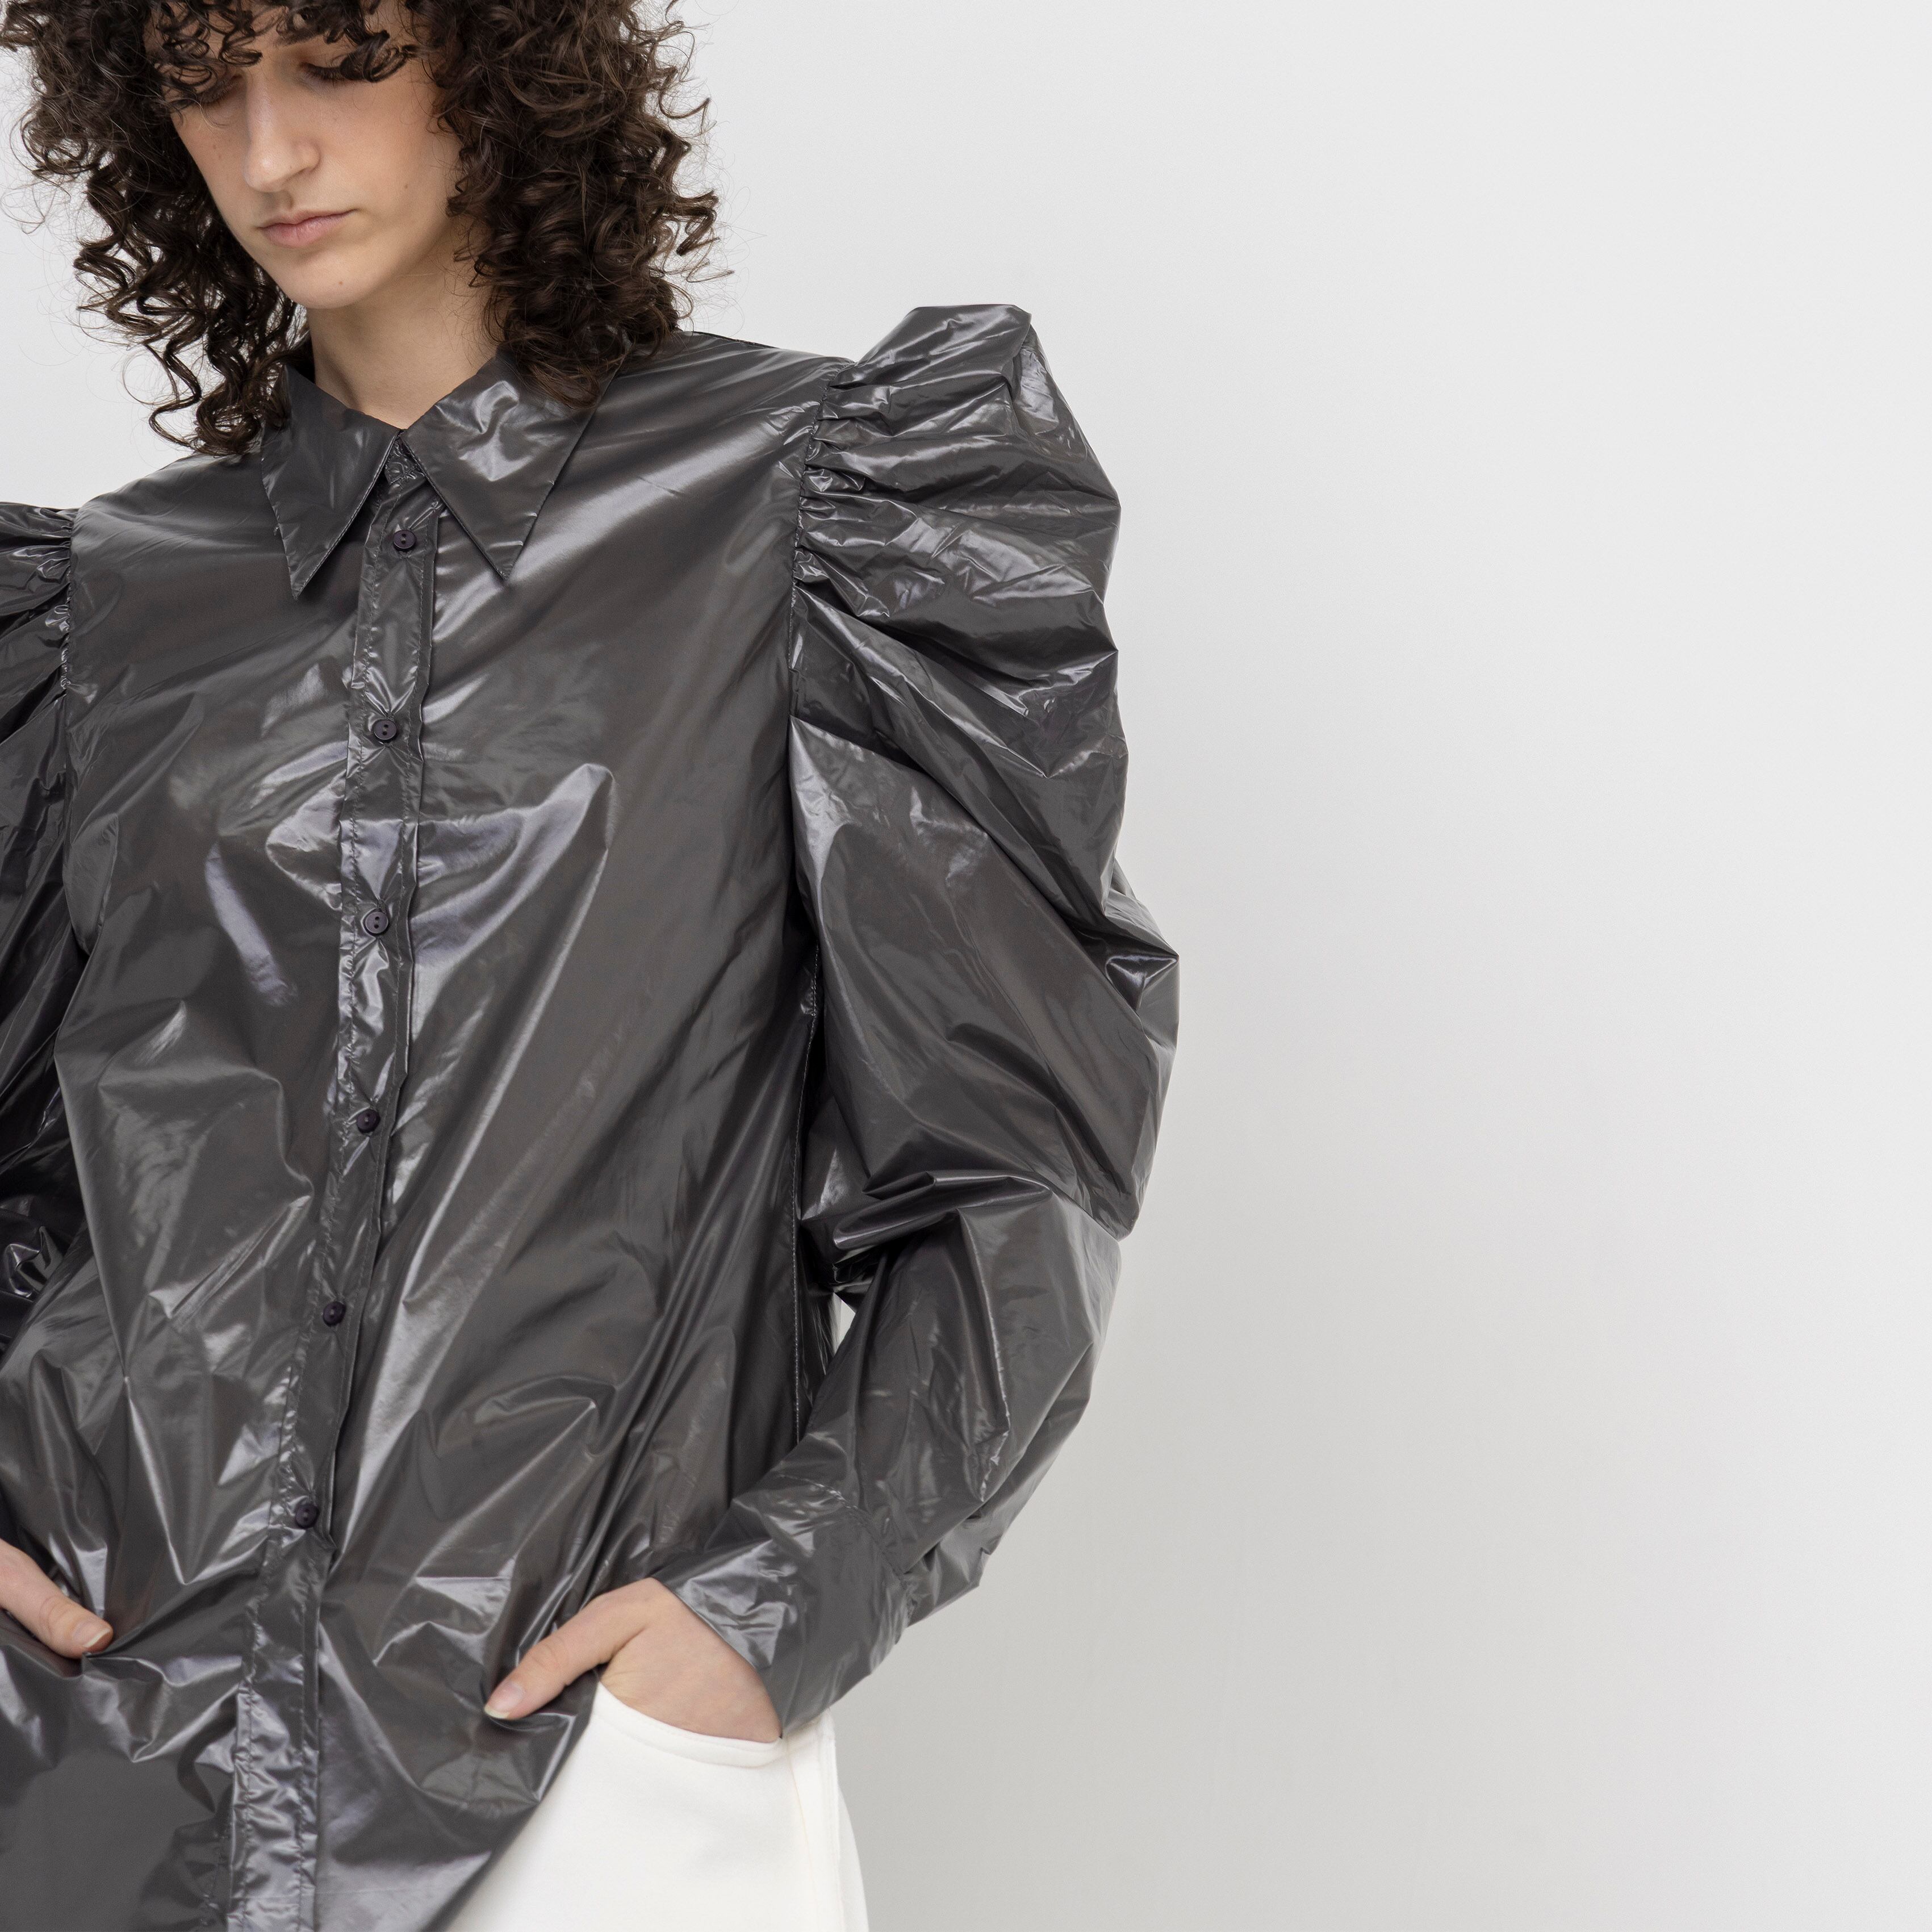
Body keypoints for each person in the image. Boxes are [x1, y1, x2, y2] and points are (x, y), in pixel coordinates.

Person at [0, 2, 1177, 1927]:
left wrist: (766, 1611)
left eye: (340, 58)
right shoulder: (110, 606)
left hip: (592, 1761)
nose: (270, 151)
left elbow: (1010, 1158)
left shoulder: (817, 511)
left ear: (497, 55)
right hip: (105, 1746)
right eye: (205, 86)